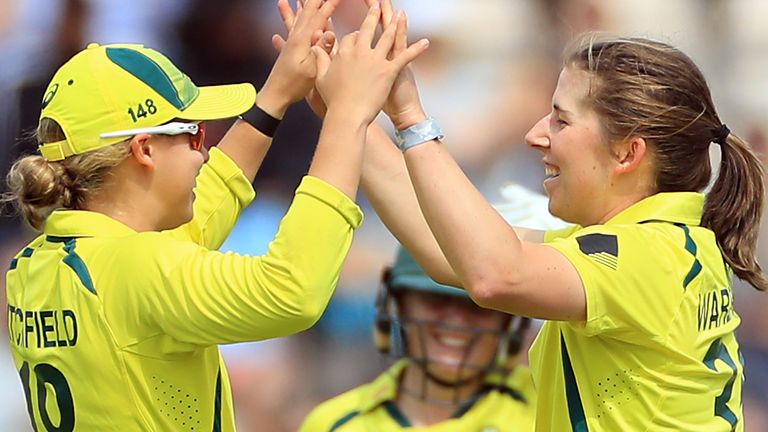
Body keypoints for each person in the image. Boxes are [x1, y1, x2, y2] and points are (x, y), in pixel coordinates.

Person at [3, 1, 428, 430]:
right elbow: (291, 291)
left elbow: (197, 215)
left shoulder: (34, 266)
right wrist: (347, 117)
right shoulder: (135, 267)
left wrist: (277, 94)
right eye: (193, 133)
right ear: (144, 149)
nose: (203, 151)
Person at [358, 9, 766, 430]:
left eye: (561, 119)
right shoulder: (654, 244)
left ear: (628, 153)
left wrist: (411, 118)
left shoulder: (647, 256)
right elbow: (449, 251)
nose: (535, 134)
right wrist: (351, 118)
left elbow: (494, 274)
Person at [298, 184, 567, 431]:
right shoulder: (333, 423)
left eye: (477, 307)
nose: (455, 319)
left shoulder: (551, 409)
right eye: (436, 300)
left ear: (508, 320)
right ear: (400, 303)